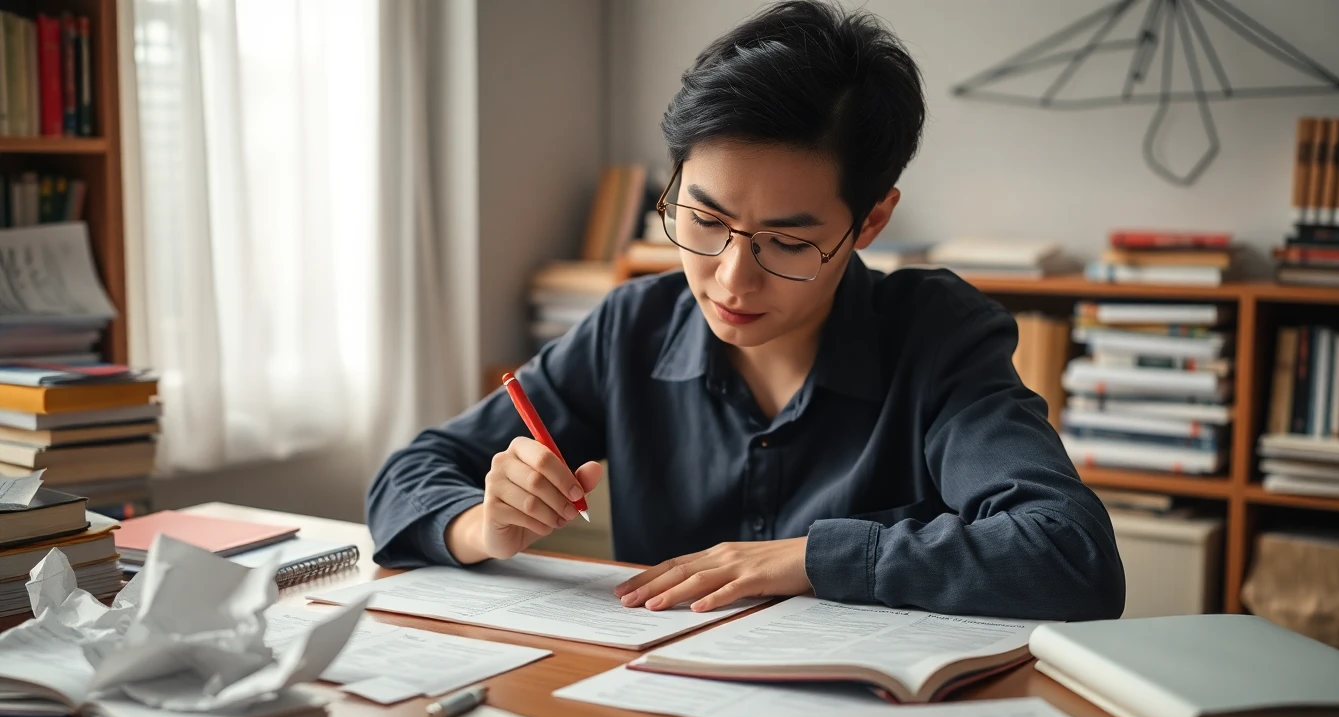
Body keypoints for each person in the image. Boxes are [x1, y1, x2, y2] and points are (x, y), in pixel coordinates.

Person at [367, 0, 1124, 621]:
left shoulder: (936, 337)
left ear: (871, 220)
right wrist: (484, 525)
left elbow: (1070, 553)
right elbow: (406, 478)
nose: (731, 280)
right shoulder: (633, 327)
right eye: (703, 220)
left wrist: (807, 558)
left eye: (787, 242)